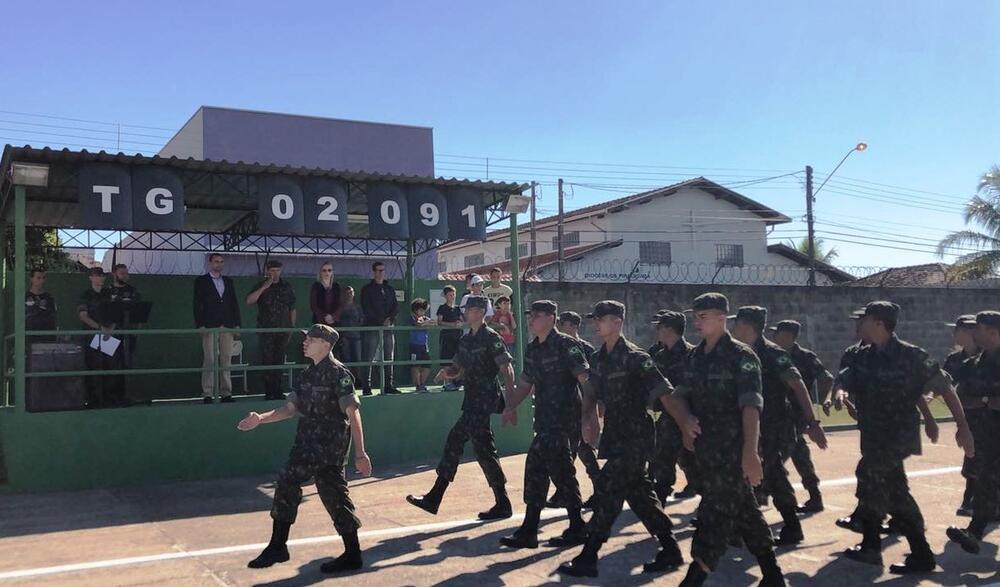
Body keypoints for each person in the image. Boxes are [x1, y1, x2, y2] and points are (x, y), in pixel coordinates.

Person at [838, 301, 974, 574]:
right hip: (873, 435)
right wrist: (841, 393)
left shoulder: (911, 355)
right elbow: (845, 379)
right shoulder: (864, 356)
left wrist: (963, 427)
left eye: (865, 319)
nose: (860, 324)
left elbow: (945, 388)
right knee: (892, 489)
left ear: (879, 323)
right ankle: (906, 552)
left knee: (872, 478)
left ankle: (877, 546)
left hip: (897, 435)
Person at [662, 293, 786, 587]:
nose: (697, 321)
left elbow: (751, 406)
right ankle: (773, 575)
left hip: (733, 451)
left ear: (722, 318)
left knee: (713, 516)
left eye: (703, 316)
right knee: (746, 511)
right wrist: (684, 420)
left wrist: (750, 453)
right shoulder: (695, 356)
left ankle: (694, 579)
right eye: (695, 316)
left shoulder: (742, 356)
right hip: (707, 452)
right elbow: (679, 395)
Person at [557, 300, 684, 579]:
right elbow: (591, 391)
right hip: (615, 436)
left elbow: (665, 391)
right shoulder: (600, 358)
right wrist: (586, 421)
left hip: (636, 438)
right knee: (641, 496)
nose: (595, 323)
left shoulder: (636, 357)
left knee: (608, 494)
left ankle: (589, 555)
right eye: (595, 319)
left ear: (617, 322)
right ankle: (670, 548)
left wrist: (685, 424)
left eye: (600, 319)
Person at [238, 324, 372, 575]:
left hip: (329, 447)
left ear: (325, 344)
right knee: (329, 495)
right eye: (306, 339)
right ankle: (348, 553)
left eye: (310, 339)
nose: (305, 342)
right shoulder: (306, 375)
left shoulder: (338, 373)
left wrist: (360, 453)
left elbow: (354, 414)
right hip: (306, 444)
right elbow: (289, 409)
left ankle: (280, 546)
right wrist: (261, 418)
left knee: (308, 487)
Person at [406, 296, 516, 521]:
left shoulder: (491, 337)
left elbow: (507, 368)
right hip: (472, 398)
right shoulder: (467, 340)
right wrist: (449, 373)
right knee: (485, 450)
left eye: (468, 309)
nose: (464, 312)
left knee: (456, 439)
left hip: (484, 400)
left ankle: (435, 497)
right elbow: (460, 368)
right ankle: (502, 502)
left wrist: (511, 404)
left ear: (478, 311)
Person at [731, 306, 827, 546]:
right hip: (752, 425)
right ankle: (742, 525)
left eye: (737, 323)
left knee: (772, 473)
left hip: (776, 426)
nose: (733, 328)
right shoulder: (740, 352)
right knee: (751, 472)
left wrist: (812, 422)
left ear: (746, 325)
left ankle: (792, 527)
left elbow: (798, 386)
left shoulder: (774, 354)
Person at [499, 300, 590, 550]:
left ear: (551, 318)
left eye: (536, 316)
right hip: (545, 421)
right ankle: (531, 531)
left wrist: (590, 418)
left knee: (561, 473)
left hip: (564, 420)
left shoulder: (567, 345)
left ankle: (575, 527)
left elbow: (585, 380)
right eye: (529, 316)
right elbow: (526, 385)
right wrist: (510, 406)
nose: (530, 320)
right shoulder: (532, 349)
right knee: (538, 471)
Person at [947, 311, 1000, 555]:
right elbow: (961, 398)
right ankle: (975, 531)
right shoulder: (971, 365)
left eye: (978, 329)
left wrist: (985, 400)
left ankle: (975, 530)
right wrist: (963, 426)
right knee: (986, 481)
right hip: (984, 435)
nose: (973, 333)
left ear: (993, 332)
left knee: (988, 482)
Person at [768, 319, 834, 513]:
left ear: (788, 336)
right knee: (799, 453)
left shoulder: (805, 357)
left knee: (776, 458)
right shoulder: (774, 355)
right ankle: (815, 496)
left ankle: (762, 493)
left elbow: (827, 378)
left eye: (777, 333)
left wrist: (826, 399)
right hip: (779, 412)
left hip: (797, 414)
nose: (773, 337)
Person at [648, 310, 699, 506]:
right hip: (665, 418)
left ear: (669, 328)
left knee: (693, 460)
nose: (657, 330)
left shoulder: (692, 354)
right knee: (663, 458)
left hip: (689, 416)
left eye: (660, 326)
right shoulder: (659, 355)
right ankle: (658, 501)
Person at [551, 310, 601, 509]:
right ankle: (563, 491)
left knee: (584, 450)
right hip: (567, 407)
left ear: (571, 326)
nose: (559, 327)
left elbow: (590, 382)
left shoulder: (585, 349)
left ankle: (599, 490)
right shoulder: (560, 347)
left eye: (562, 323)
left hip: (581, 407)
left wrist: (591, 413)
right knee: (567, 452)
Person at [942, 314, 982, 517]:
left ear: (969, 332)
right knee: (973, 454)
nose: (953, 334)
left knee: (979, 456)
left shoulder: (989, 356)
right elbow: (943, 383)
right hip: (968, 416)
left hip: (989, 416)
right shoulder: (954, 359)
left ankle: (972, 500)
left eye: (957, 330)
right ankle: (973, 500)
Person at [193, 253, 241, 404]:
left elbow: (234, 303)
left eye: (221, 262)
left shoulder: (228, 281)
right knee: (210, 359)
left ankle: (226, 392)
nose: (219, 264)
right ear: (210, 263)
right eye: (216, 261)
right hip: (209, 325)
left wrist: (237, 324)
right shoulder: (201, 281)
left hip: (227, 324)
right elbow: (197, 304)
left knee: (226, 359)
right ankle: (208, 392)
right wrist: (200, 325)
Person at [246, 260, 297, 401]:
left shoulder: (287, 286)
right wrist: (264, 287)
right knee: (267, 361)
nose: (275, 273)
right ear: (268, 271)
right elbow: (249, 301)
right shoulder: (261, 285)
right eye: (272, 270)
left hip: (283, 330)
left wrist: (291, 327)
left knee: (279, 361)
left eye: (277, 270)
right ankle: (269, 391)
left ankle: (278, 390)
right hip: (266, 331)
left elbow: (292, 308)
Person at [78, 267, 126, 408]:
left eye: (102, 276)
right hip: (92, 336)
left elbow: (118, 313)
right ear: (90, 277)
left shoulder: (111, 294)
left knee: (111, 367)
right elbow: (83, 316)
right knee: (93, 368)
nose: (100, 278)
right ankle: (93, 400)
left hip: (109, 336)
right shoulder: (85, 295)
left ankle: (110, 399)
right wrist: (100, 329)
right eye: (97, 275)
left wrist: (110, 329)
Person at [360, 261, 400, 396]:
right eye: (378, 270)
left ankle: (389, 385)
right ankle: (366, 387)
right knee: (368, 357)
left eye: (382, 270)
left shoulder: (389, 289)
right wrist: (380, 321)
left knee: (389, 356)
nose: (380, 273)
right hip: (372, 327)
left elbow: (395, 306)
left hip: (388, 328)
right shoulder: (367, 289)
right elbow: (366, 308)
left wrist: (390, 319)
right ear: (373, 272)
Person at [106, 263, 141, 368]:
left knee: (127, 362)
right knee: (110, 362)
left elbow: (139, 312)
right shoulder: (107, 291)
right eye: (122, 273)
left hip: (129, 331)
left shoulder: (133, 291)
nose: (125, 276)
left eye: (126, 273)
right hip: (110, 331)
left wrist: (137, 331)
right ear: (114, 274)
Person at [436, 285, 463, 392]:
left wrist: (460, 323)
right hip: (447, 338)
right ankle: (446, 382)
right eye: (450, 295)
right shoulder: (442, 308)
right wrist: (451, 324)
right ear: (445, 296)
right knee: (446, 361)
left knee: (457, 361)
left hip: (458, 338)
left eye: (453, 295)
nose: (452, 297)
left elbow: (463, 320)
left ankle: (456, 382)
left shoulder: (457, 308)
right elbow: (439, 321)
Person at [336, 286, 362, 381]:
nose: (349, 295)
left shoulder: (357, 307)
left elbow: (361, 320)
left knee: (358, 359)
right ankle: (348, 379)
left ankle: (359, 379)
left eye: (351, 293)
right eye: (347, 293)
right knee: (347, 359)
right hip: (345, 337)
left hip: (357, 336)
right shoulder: (340, 308)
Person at [25, 268, 57, 340]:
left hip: (47, 336)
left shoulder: (49, 297)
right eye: (38, 278)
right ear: (31, 279)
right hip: (29, 336)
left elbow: (53, 315)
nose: (41, 281)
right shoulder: (25, 297)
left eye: (43, 278)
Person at [409, 298, 431, 392]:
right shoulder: (412, 317)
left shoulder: (425, 318)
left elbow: (433, 322)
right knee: (415, 366)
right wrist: (424, 323)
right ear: (415, 310)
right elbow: (418, 324)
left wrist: (425, 322)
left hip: (424, 346)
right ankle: (418, 386)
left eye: (423, 310)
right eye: (420, 310)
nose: (422, 312)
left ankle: (422, 384)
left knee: (427, 366)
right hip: (414, 346)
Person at [310, 261, 341, 325]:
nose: (327, 272)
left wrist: (333, 317)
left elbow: (340, 305)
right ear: (320, 272)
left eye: (329, 270)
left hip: (334, 322)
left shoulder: (336, 286)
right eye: (324, 270)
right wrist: (325, 316)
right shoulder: (316, 286)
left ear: (332, 272)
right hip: (319, 322)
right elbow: (313, 306)